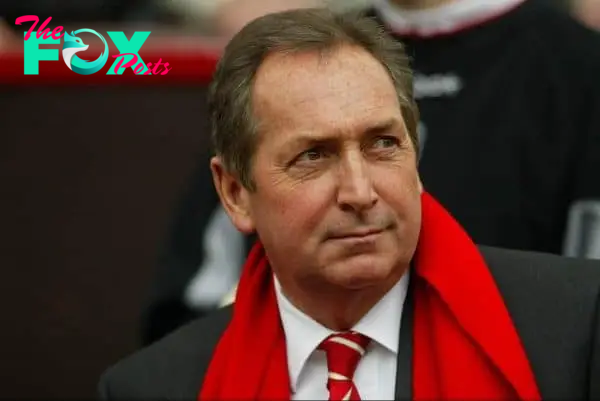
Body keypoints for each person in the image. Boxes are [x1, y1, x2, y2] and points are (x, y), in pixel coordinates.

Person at [99, 9, 600, 400]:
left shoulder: (575, 331)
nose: (360, 193)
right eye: (313, 156)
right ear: (234, 194)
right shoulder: (154, 387)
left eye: (383, 144)